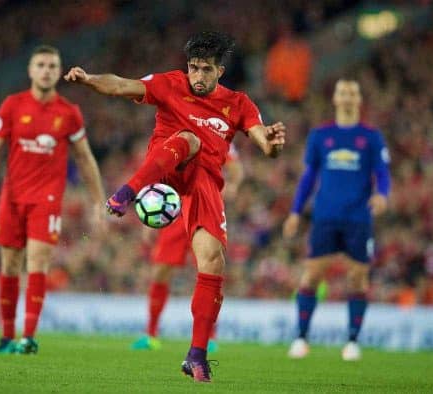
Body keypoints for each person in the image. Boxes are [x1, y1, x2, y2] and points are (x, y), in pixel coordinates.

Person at [65, 31, 285, 382]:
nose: (197, 76)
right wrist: (90, 79)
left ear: (220, 72)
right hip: (163, 170)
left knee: (213, 262)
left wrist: (272, 144)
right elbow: (123, 86)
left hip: (203, 183)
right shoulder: (170, 84)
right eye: (193, 68)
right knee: (189, 138)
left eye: (206, 70)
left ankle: (196, 355)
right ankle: (126, 193)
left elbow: (263, 141)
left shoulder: (239, 104)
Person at [0, 45, 106, 355]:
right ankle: (7, 337)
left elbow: (86, 158)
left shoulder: (69, 112)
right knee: (9, 264)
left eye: (52, 65)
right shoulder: (12, 105)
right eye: (41, 65)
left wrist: (97, 200)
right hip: (13, 196)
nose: (47, 70)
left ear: (58, 71)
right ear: (31, 70)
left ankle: (29, 337)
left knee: (37, 261)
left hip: (47, 198)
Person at [283, 79, 391, 361]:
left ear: (359, 99)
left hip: (358, 216)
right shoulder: (321, 135)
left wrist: (382, 195)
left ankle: (353, 341)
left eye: (352, 93)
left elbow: (382, 171)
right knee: (313, 274)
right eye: (342, 92)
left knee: (358, 277)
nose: (346, 97)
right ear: (334, 98)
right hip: (325, 215)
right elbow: (308, 177)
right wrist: (295, 211)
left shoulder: (371, 136)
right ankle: (301, 337)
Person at [131, 144, 244, 352]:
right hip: (173, 210)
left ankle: (209, 336)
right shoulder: (173, 136)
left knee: (208, 270)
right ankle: (151, 334)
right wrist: (149, 219)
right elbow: (156, 171)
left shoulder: (215, 132)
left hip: (203, 207)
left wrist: (233, 185)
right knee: (160, 270)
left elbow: (235, 168)